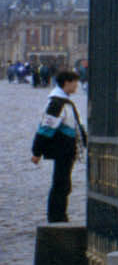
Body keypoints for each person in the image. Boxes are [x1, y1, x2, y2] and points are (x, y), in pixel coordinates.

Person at [30, 69, 85, 223]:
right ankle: (56, 217)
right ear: (66, 83)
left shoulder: (63, 100)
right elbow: (46, 129)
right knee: (61, 184)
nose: (77, 86)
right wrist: (37, 151)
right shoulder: (57, 103)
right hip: (62, 149)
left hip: (67, 149)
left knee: (64, 184)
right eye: (75, 83)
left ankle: (60, 215)